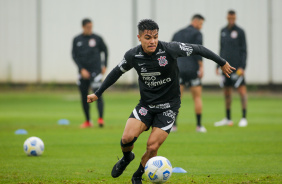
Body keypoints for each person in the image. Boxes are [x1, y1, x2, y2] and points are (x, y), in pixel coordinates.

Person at [87, 19, 235, 184]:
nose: (152, 41)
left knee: (152, 146)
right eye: (148, 37)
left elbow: (198, 49)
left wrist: (222, 62)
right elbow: (116, 72)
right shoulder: (132, 55)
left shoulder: (170, 49)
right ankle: (127, 157)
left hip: (168, 107)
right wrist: (98, 93)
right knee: (127, 138)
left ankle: (137, 176)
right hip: (146, 105)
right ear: (139, 38)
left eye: (155, 37)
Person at [171, 14, 206, 133]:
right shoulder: (197, 34)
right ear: (196, 22)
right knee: (197, 97)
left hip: (179, 69)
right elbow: (198, 51)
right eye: (201, 24)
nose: (201, 27)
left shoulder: (177, 33)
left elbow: (171, 52)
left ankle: (173, 125)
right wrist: (201, 68)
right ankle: (199, 126)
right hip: (192, 69)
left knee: (177, 98)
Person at [72, 18, 108, 128]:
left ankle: (101, 119)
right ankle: (88, 121)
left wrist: (104, 65)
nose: (90, 29)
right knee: (84, 97)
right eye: (88, 27)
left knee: (98, 94)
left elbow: (105, 50)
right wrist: (81, 69)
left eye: (91, 27)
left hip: (96, 72)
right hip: (83, 73)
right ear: (83, 27)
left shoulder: (97, 38)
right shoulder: (77, 39)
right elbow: (74, 56)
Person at [214, 10, 248, 127]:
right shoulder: (223, 31)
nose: (231, 19)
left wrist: (243, 67)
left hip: (237, 67)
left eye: (233, 17)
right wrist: (217, 65)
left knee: (242, 92)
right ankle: (228, 118)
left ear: (235, 18)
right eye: (229, 17)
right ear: (227, 17)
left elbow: (244, 50)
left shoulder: (240, 32)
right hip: (225, 67)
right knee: (227, 93)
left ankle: (244, 117)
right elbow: (221, 49)